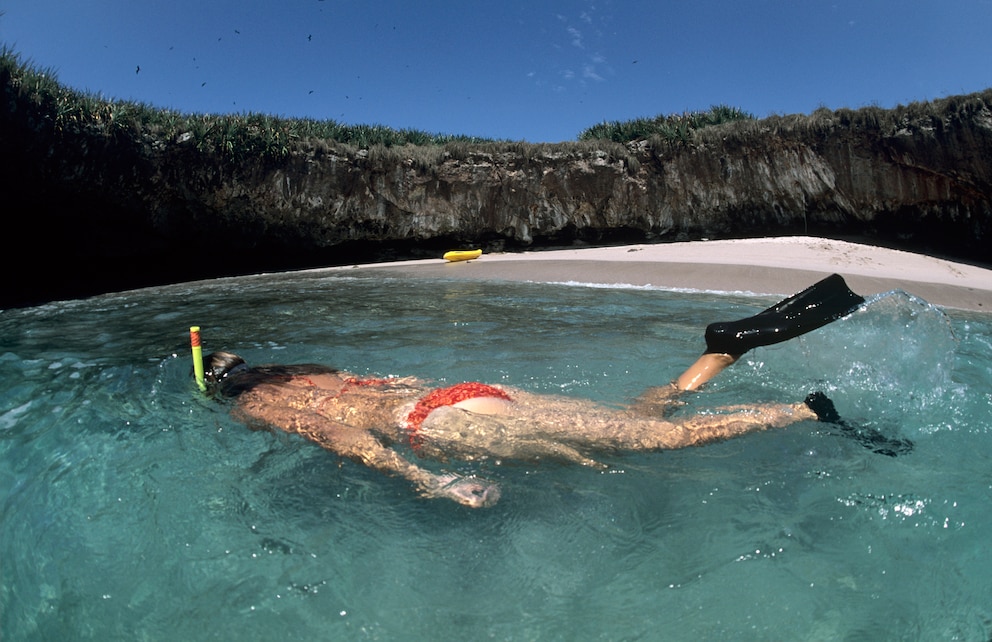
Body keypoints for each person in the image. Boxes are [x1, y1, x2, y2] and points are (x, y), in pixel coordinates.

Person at [197, 274, 902, 508]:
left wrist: (425, 482)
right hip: (464, 395)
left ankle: (808, 410)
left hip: (439, 429)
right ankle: (720, 352)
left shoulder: (259, 404)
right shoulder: (308, 371)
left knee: (655, 443)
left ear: (224, 389)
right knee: (634, 420)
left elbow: (343, 439)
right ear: (255, 362)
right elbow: (394, 387)